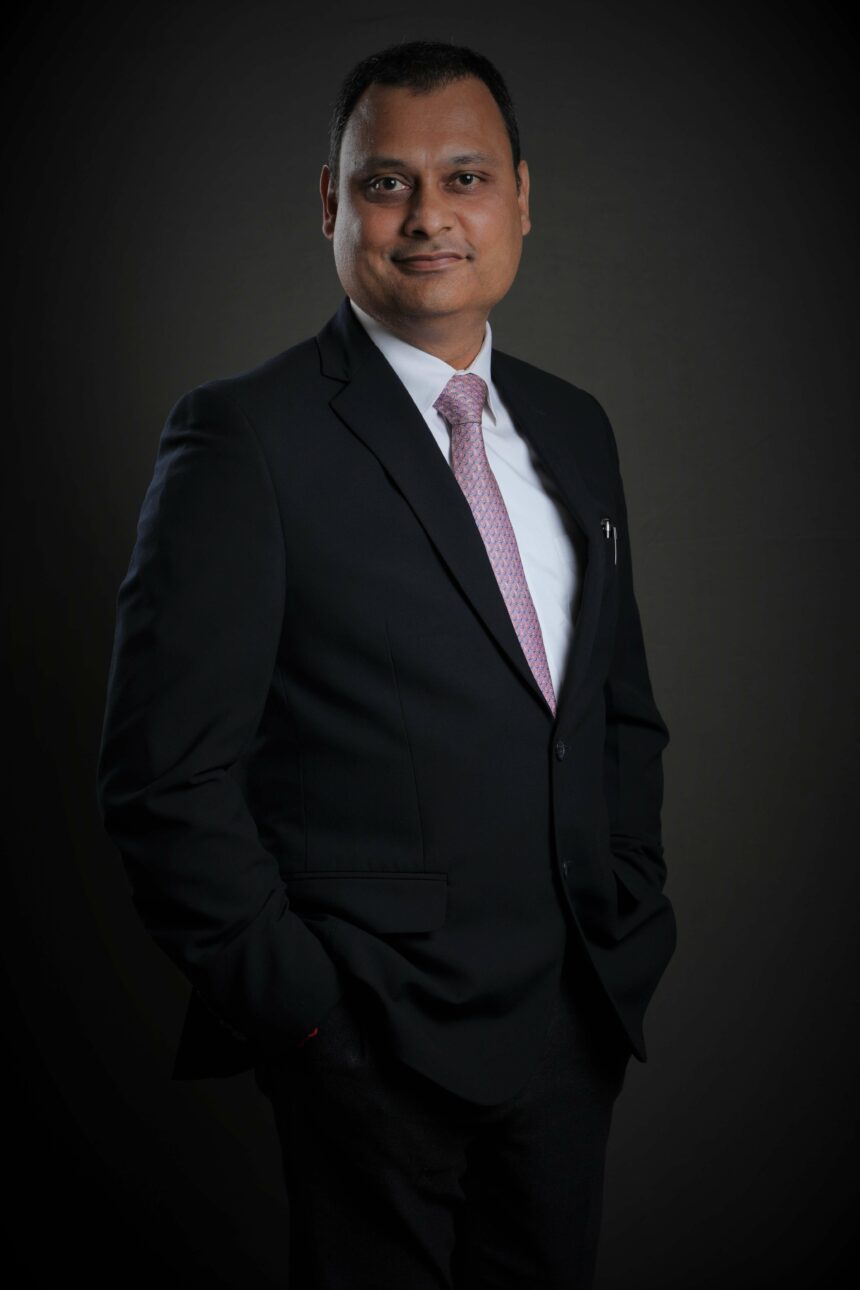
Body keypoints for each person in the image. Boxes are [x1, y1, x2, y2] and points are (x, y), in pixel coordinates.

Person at [96, 38, 677, 1290]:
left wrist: (628, 914)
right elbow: (162, 781)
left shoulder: (573, 426)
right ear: (331, 202)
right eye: (384, 183)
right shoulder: (244, 438)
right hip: (371, 1047)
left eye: (464, 178)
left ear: (520, 197)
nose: (427, 217)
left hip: (572, 1028)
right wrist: (309, 1016)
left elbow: (614, 713)